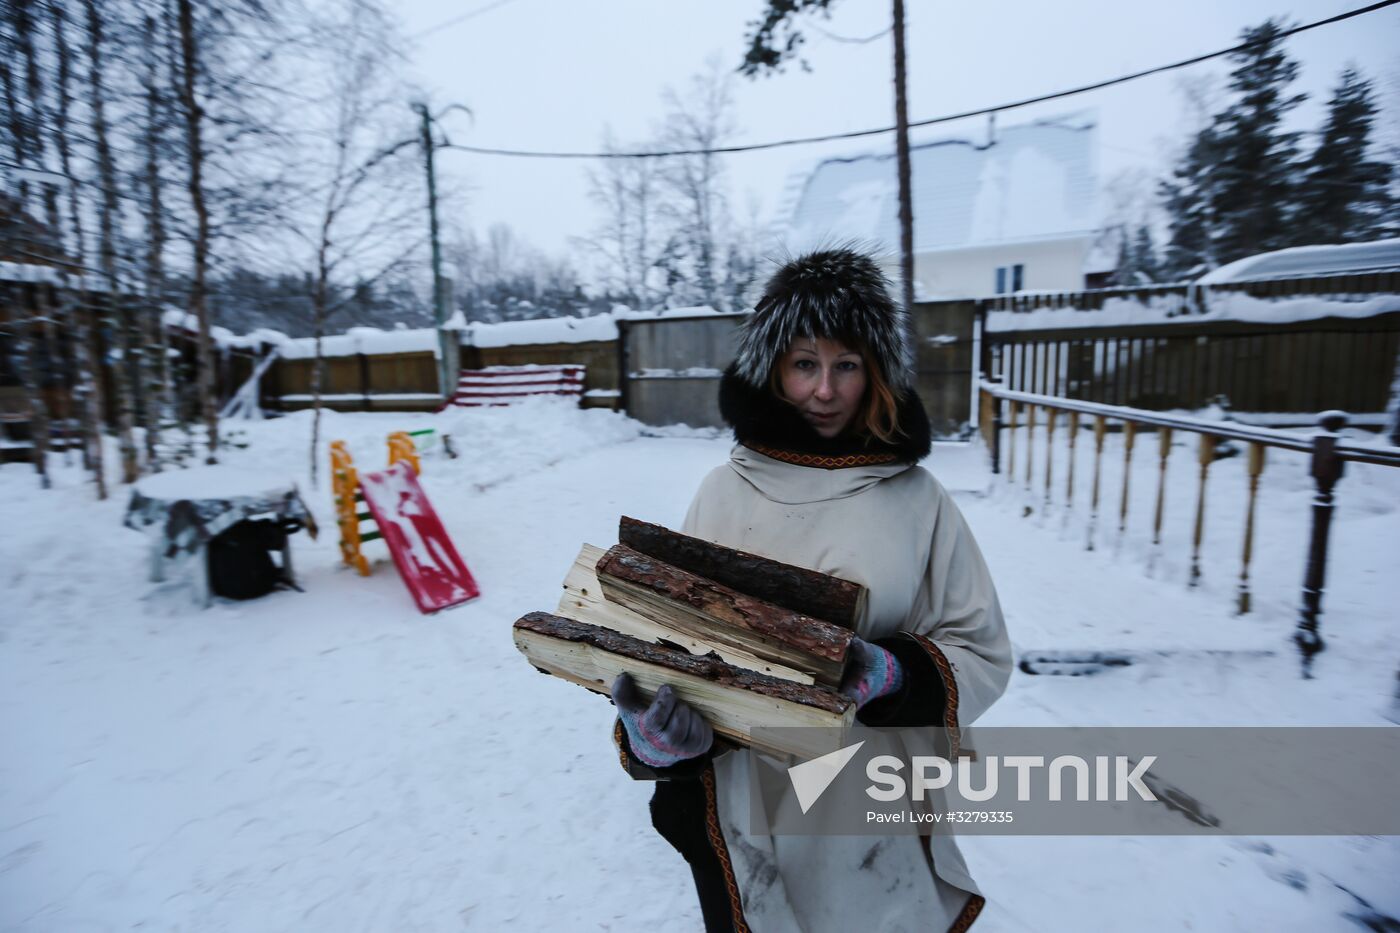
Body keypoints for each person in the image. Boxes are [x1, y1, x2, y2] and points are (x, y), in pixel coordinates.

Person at [610, 247, 1012, 932]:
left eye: (847, 365)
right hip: (741, 808)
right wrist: (659, 736)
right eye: (805, 363)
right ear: (774, 370)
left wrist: (890, 672)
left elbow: (980, 649)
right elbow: (672, 656)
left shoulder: (919, 502)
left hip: (866, 816)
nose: (825, 390)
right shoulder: (723, 492)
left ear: (875, 372)